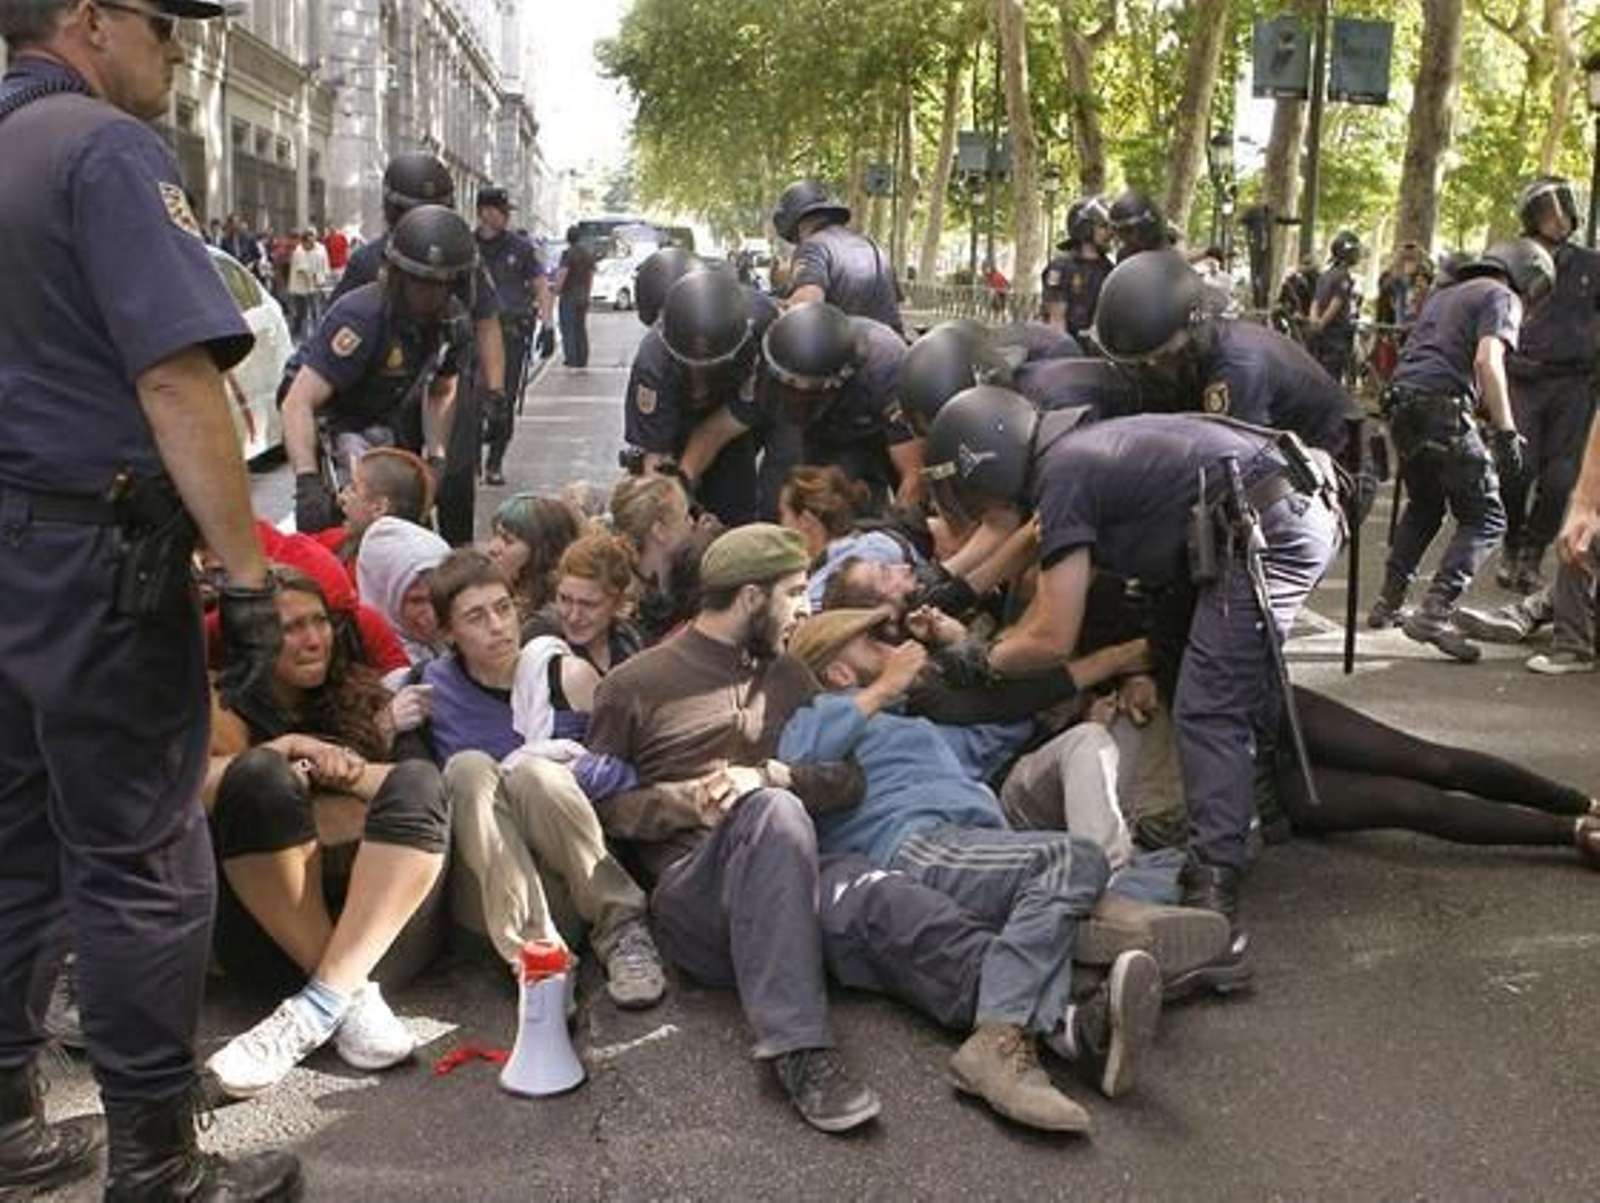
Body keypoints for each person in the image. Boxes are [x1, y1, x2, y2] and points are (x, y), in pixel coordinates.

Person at [0, 3, 299, 1196]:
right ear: (89, 19)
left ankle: (12, 1127)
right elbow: (180, 383)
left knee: (14, 848)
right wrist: (246, 573)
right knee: (139, 863)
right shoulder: (105, 149)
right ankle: (158, 1169)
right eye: (165, 21)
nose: (178, 46)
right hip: (91, 568)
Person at [922, 388, 1343, 943]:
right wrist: (953, 593)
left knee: (1208, 703)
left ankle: (1215, 896)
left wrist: (978, 658)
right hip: (1285, 502)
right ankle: (1260, 803)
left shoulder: (1064, 477)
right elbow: (1029, 537)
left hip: (1269, 527)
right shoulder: (1069, 455)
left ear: (986, 468)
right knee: (1175, 645)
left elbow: (1052, 636)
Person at [585, 525, 883, 1133]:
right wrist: (684, 804)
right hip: (696, 896)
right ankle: (799, 1048)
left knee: (881, 893)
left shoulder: (792, 677)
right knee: (772, 811)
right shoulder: (632, 686)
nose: (807, 608)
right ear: (752, 597)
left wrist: (769, 774)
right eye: (795, 592)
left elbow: (848, 780)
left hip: (792, 878)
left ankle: (1047, 1021)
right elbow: (603, 812)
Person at [202, 570, 449, 1099]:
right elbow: (191, 789)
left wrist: (344, 770)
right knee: (258, 776)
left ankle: (319, 1003)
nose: (314, 639)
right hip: (272, 943)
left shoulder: (362, 693)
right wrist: (289, 745)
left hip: (383, 934)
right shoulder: (221, 705)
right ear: (255, 640)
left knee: (419, 779)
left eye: (320, 622)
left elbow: (420, 786)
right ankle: (343, 997)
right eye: (291, 627)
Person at [417, 550, 666, 1007]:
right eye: (476, 616)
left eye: (503, 608)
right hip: (494, 894)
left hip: (576, 872)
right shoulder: (433, 688)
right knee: (469, 768)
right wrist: (386, 722)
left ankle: (624, 930)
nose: (497, 626)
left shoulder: (563, 673)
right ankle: (538, 957)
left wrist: (574, 769)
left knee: (534, 772)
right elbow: (405, 784)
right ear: (449, 633)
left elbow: (634, 771)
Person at [1368, 239, 1553, 662]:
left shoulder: (1445, 295)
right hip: (1441, 407)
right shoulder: (1502, 296)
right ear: (1527, 274)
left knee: (1425, 505)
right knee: (1487, 516)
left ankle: (1388, 602)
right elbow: (1489, 361)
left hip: (1400, 404)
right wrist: (1507, 432)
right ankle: (1435, 613)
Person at [328, 151, 507, 547]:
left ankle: (456, 564)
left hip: (448, 380)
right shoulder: (366, 263)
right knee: (395, 494)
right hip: (388, 394)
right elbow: (336, 344)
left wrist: (495, 391)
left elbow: (486, 321)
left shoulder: (464, 256)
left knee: (455, 479)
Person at [281, 205, 475, 536]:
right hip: (330, 408)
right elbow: (298, 403)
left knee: (407, 518)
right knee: (357, 516)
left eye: (442, 284)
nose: (431, 294)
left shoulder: (453, 323)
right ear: (399, 276)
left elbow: (442, 389)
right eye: (421, 283)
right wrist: (307, 482)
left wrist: (437, 456)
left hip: (387, 412)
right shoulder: (361, 318)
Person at [1092, 248, 1359, 457]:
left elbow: (1232, 461)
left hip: (1333, 459)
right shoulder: (1190, 352)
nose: (1150, 368)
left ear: (1191, 329)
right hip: (1285, 453)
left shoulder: (1238, 367)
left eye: (1160, 358)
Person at [1498, 176, 1600, 594]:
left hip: (1574, 384)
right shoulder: (1513, 259)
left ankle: (1531, 554)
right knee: (1516, 469)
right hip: (1523, 377)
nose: (1557, 221)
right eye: (1547, 213)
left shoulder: (1592, 264)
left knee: (1560, 479)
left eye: (1563, 211)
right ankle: (1511, 538)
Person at [624, 267, 774, 526]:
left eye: (709, 366)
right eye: (689, 364)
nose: (699, 375)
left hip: (733, 418)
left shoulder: (763, 329)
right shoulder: (653, 361)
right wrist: (668, 501)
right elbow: (654, 457)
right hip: (677, 415)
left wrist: (684, 478)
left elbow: (716, 431)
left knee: (737, 503)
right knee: (661, 505)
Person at [755, 300, 920, 507]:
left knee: (860, 507)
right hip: (817, 433)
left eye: (808, 397)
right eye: (791, 391)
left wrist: (892, 533)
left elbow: (913, 473)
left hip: (874, 430)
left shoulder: (886, 369)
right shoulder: (773, 359)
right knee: (790, 498)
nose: (798, 399)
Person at [475, 185, 552, 485]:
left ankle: (494, 461)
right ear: (484, 212)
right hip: (473, 335)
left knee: (502, 401)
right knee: (469, 399)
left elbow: (541, 285)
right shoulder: (467, 246)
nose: (506, 216)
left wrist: (548, 325)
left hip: (510, 335)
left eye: (507, 211)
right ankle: (469, 459)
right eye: (500, 210)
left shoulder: (520, 248)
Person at [777, 464, 919, 610]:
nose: (780, 527)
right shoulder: (874, 542)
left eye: (783, 515)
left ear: (806, 521)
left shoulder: (873, 550)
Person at [772, 178, 903, 333]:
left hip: (851, 350)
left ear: (795, 225)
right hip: (895, 348)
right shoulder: (874, 247)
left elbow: (804, 308)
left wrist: (776, 309)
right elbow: (895, 304)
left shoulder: (813, 246)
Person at [357, 516, 452, 673]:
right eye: (417, 601)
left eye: (439, 594)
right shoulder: (365, 668)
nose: (432, 613)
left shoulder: (461, 641)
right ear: (383, 595)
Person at [486, 491, 583, 628]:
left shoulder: (543, 623)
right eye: (494, 535)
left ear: (543, 551)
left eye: (508, 541)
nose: (492, 548)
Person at [1041, 196, 1113, 337]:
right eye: (1103, 226)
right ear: (1084, 227)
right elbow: (1056, 323)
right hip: (1065, 351)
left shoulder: (1108, 268)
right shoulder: (1062, 267)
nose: (1110, 233)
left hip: (1096, 351)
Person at [1305, 230, 1362, 384]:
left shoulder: (1325, 275)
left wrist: (1314, 323)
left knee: (1316, 376)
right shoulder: (1344, 277)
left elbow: (1315, 302)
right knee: (1331, 379)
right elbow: (1336, 303)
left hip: (1319, 337)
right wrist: (1322, 324)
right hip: (1335, 338)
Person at [554, 225, 596, 368]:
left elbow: (563, 273)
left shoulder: (567, 254)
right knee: (580, 328)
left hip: (569, 295)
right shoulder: (587, 254)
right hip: (583, 295)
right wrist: (588, 294)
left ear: (568, 238)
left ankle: (571, 360)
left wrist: (556, 289)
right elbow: (590, 276)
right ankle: (582, 359)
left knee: (568, 328)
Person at [287, 227, 329, 341]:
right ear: (304, 242)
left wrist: (322, 280)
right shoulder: (299, 251)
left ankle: (318, 333)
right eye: (309, 242)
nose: (311, 245)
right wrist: (313, 284)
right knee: (302, 312)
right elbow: (303, 271)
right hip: (301, 287)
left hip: (315, 284)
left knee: (316, 310)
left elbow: (325, 265)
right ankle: (298, 334)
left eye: (313, 241)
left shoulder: (321, 248)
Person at [1105, 189, 1172, 261]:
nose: (1133, 237)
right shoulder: (1125, 257)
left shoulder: (1173, 250)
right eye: (1123, 232)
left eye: (1129, 231)